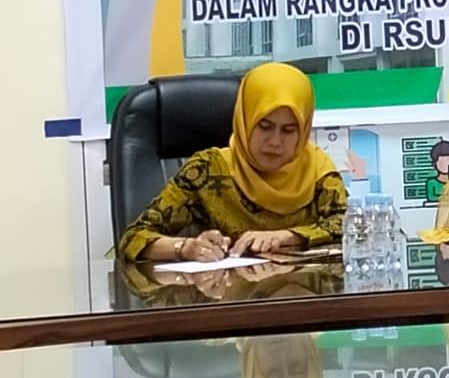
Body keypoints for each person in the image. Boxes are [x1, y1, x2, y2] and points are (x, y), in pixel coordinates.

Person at [118, 62, 348, 263]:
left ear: (304, 130)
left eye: (289, 130)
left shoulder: (317, 170)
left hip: (304, 294)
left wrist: (287, 236)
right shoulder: (207, 170)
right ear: (245, 120)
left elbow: (347, 225)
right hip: (223, 293)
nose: (275, 142)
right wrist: (185, 247)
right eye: (264, 126)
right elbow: (134, 238)